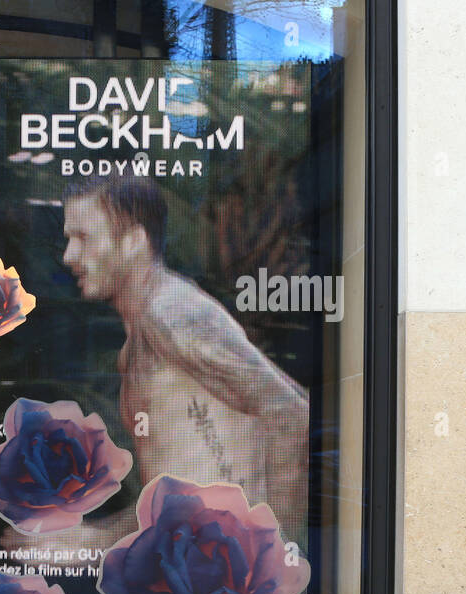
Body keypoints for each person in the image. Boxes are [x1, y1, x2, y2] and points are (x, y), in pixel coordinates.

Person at [51, 176, 309, 550]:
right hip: (195, 573)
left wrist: (277, 557)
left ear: (134, 243)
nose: (69, 256)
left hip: (225, 579)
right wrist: (90, 541)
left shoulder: (170, 313)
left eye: (85, 238)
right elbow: (175, 493)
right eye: (69, 239)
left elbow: (292, 415)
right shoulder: (143, 338)